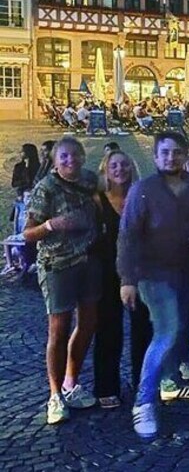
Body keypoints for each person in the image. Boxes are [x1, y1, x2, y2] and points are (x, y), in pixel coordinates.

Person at [118, 132, 189, 438]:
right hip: (153, 274)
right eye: (165, 152)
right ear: (156, 156)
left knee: (178, 329)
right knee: (166, 331)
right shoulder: (143, 190)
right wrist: (128, 280)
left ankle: (170, 382)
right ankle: (143, 402)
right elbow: (128, 236)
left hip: (185, 270)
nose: (171, 157)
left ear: (184, 155)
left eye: (176, 152)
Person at [24, 136, 102, 425]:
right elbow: (27, 233)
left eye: (75, 154)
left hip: (89, 261)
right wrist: (51, 225)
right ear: (55, 162)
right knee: (59, 329)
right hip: (57, 265)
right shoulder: (45, 188)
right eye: (64, 156)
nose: (70, 160)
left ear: (83, 156)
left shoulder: (90, 180)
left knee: (89, 323)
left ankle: (71, 382)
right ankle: (55, 395)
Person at [92, 149, 152, 409]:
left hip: (139, 270)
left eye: (124, 164)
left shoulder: (140, 197)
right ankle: (107, 386)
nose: (120, 169)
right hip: (106, 271)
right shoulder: (97, 199)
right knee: (108, 328)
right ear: (105, 170)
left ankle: (144, 382)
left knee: (143, 328)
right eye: (114, 165)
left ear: (132, 168)